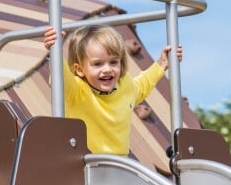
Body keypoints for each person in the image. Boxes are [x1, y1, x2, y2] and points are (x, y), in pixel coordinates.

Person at [43, 25, 182, 155]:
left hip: (117, 165)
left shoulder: (124, 86)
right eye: (98, 64)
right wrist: (55, 51)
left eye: (114, 62)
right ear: (79, 70)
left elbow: (142, 85)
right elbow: (60, 78)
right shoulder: (76, 90)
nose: (107, 69)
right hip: (83, 165)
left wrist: (162, 64)